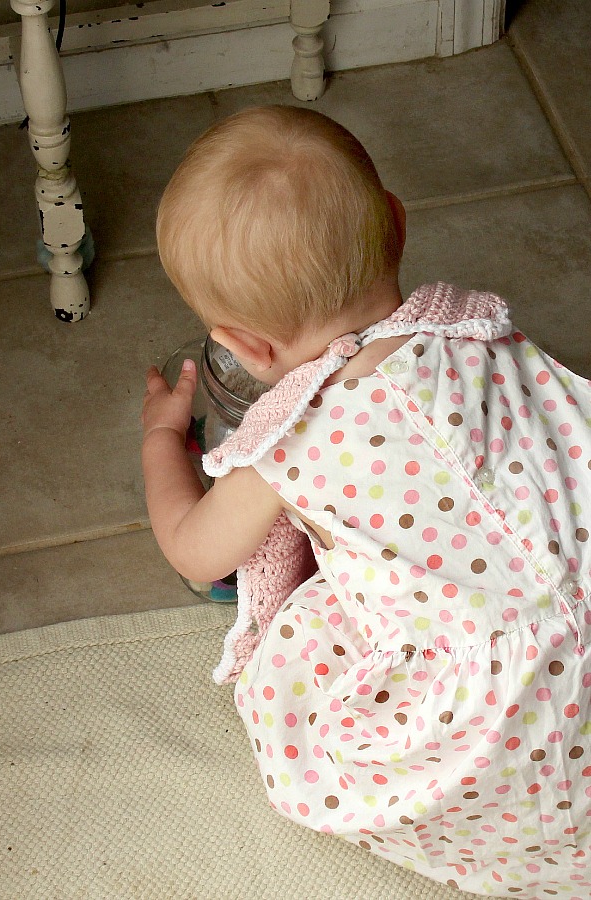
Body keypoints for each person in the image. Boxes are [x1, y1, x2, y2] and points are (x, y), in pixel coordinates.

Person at [142, 105, 591, 898]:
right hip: (572, 599)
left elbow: (192, 547)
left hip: (500, 723)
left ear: (241, 347)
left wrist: (158, 442)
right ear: (396, 222)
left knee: (297, 678)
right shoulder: (478, 329)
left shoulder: (291, 442)